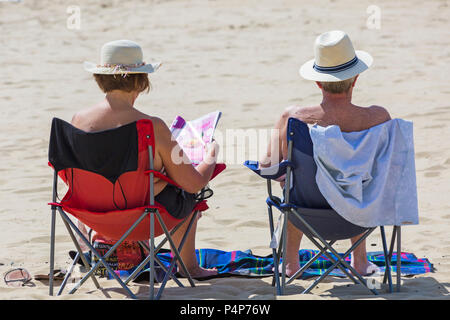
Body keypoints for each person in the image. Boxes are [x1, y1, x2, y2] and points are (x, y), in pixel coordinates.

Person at [73, 39, 219, 278]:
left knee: (162, 185)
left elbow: (78, 178)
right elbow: (194, 182)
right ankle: (189, 267)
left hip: (93, 217)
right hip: (141, 220)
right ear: (141, 82)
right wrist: (211, 155)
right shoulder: (151, 126)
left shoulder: (79, 121)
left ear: (99, 79)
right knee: (188, 194)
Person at [260, 30, 391, 277]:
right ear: (356, 78)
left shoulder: (292, 118)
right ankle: (360, 262)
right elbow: (390, 167)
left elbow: (267, 166)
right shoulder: (378, 118)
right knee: (360, 181)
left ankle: (290, 265)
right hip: (360, 215)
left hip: (305, 214)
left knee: (293, 184)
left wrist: (288, 174)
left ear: (318, 82)